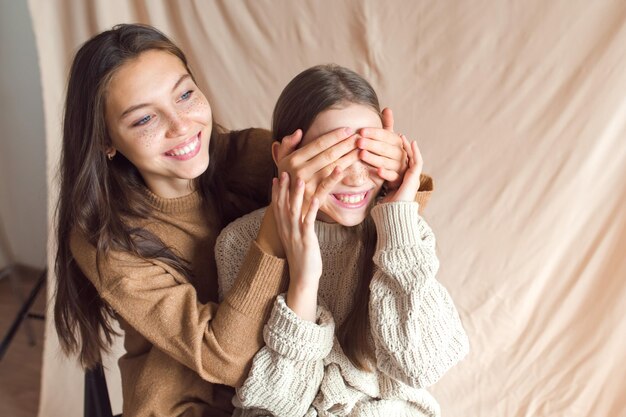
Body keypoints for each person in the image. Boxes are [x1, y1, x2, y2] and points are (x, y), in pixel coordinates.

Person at [53, 25, 431, 416]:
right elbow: (226, 361)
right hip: (187, 406)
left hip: (292, 392)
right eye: (144, 119)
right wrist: (273, 233)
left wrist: (394, 171)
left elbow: (360, 204)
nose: (181, 125)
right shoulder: (105, 240)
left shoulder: (251, 155)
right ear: (106, 141)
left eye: (185, 94)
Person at [217, 64, 469, 416]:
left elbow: (422, 365)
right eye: (332, 153)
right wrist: (304, 282)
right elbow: (272, 406)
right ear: (282, 157)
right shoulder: (239, 243)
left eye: (368, 152)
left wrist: (399, 219)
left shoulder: (399, 231)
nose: (354, 177)